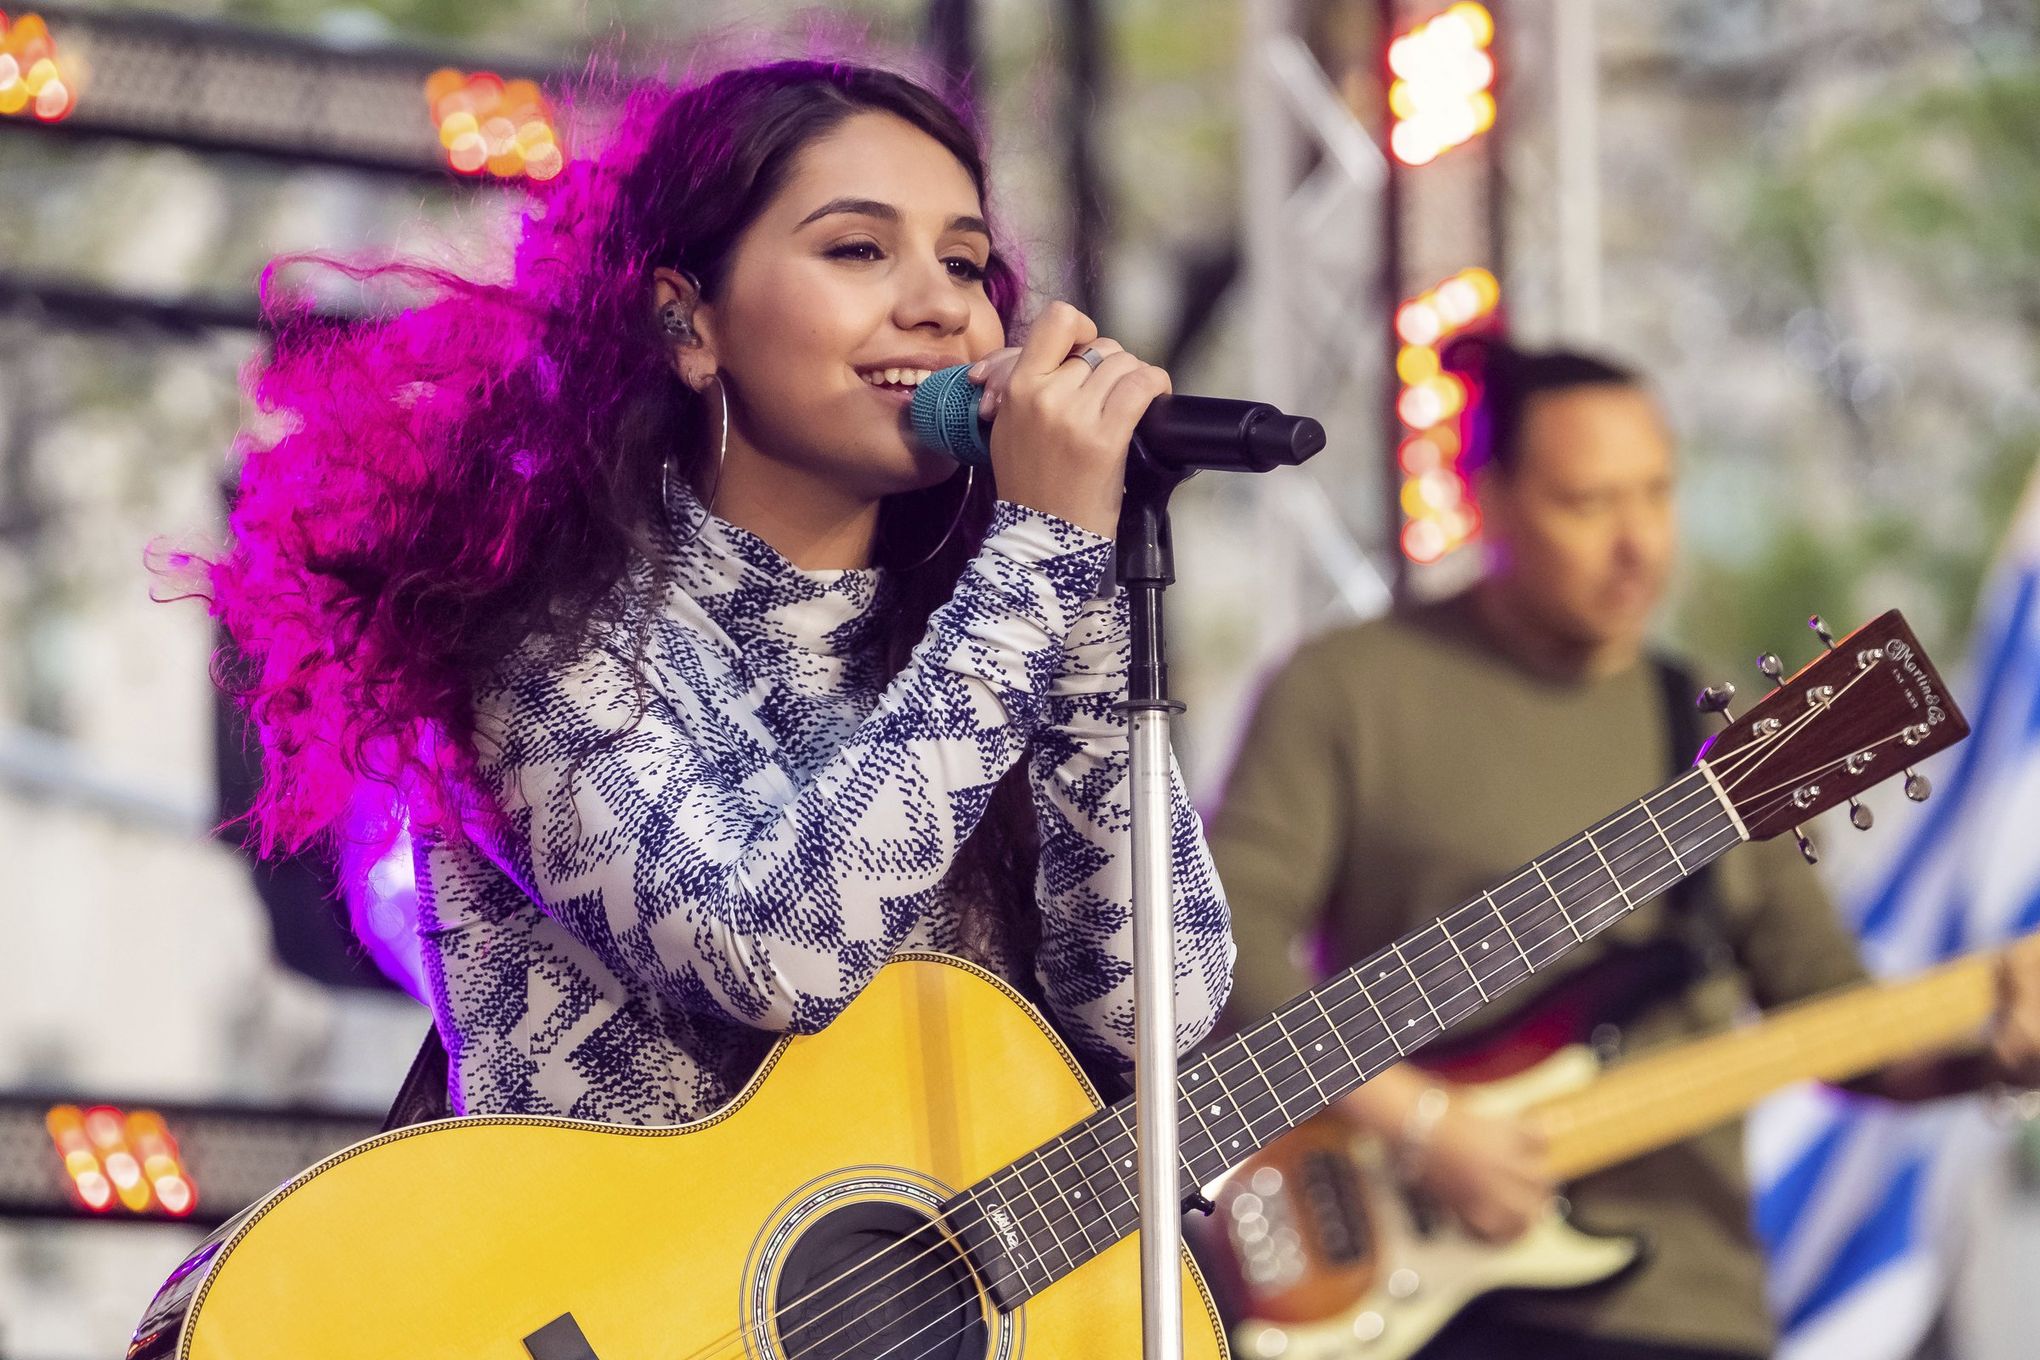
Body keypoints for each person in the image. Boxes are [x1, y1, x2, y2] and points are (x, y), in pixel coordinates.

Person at [194, 60, 1234, 1125]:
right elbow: (775, 955)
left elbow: (1155, 1018)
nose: (939, 309)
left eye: (965, 265)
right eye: (859, 249)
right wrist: (1035, 560)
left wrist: (1085, 591)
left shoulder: (992, 622)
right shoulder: (531, 647)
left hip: (925, 1290)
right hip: (606, 1286)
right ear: (687, 323)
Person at [1206, 339, 2040, 1360]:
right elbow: (1221, 942)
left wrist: (1986, 1052)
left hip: (1684, 1308)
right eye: (1588, 503)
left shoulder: (1724, 746)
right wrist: (1420, 1125)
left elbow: (1837, 1025)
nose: (1638, 541)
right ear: (1489, 497)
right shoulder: (1346, 688)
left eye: (1656, 494)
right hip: (1407, 1290)